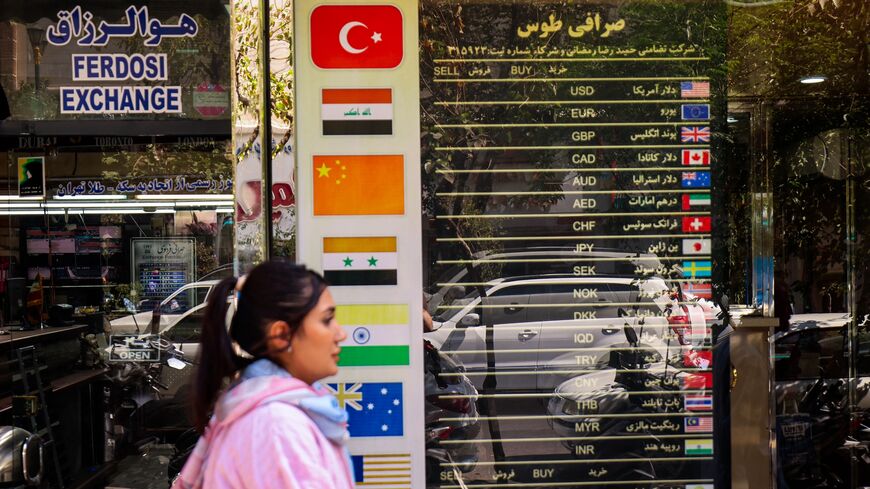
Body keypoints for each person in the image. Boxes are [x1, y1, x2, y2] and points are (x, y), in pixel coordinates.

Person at [171, 261, 354, 489]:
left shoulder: (273, 410)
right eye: (327, 320)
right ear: (281, 335)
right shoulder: (278, 425)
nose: (341, 334)